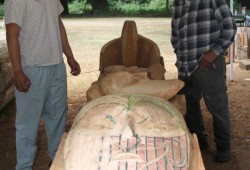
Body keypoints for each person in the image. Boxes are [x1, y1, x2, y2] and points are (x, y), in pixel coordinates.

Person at [4, 0, 81, 169]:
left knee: (57, 117)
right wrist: (17, 71)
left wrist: (69, 56)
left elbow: (58, 25)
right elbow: (11, 33)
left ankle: (56, 161)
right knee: (27, 124)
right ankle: (24, 166)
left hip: (56, 66)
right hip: (31, 69)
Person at [171, 0, 237, 163]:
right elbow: (175, 34)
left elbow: (230, 28)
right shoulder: (178, 3)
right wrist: (179, 55)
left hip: (209, 64)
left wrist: (213, 53)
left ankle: (223, 148)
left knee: (217, 107)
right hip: (186, 66)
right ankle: (199, 142)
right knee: (191, 106)